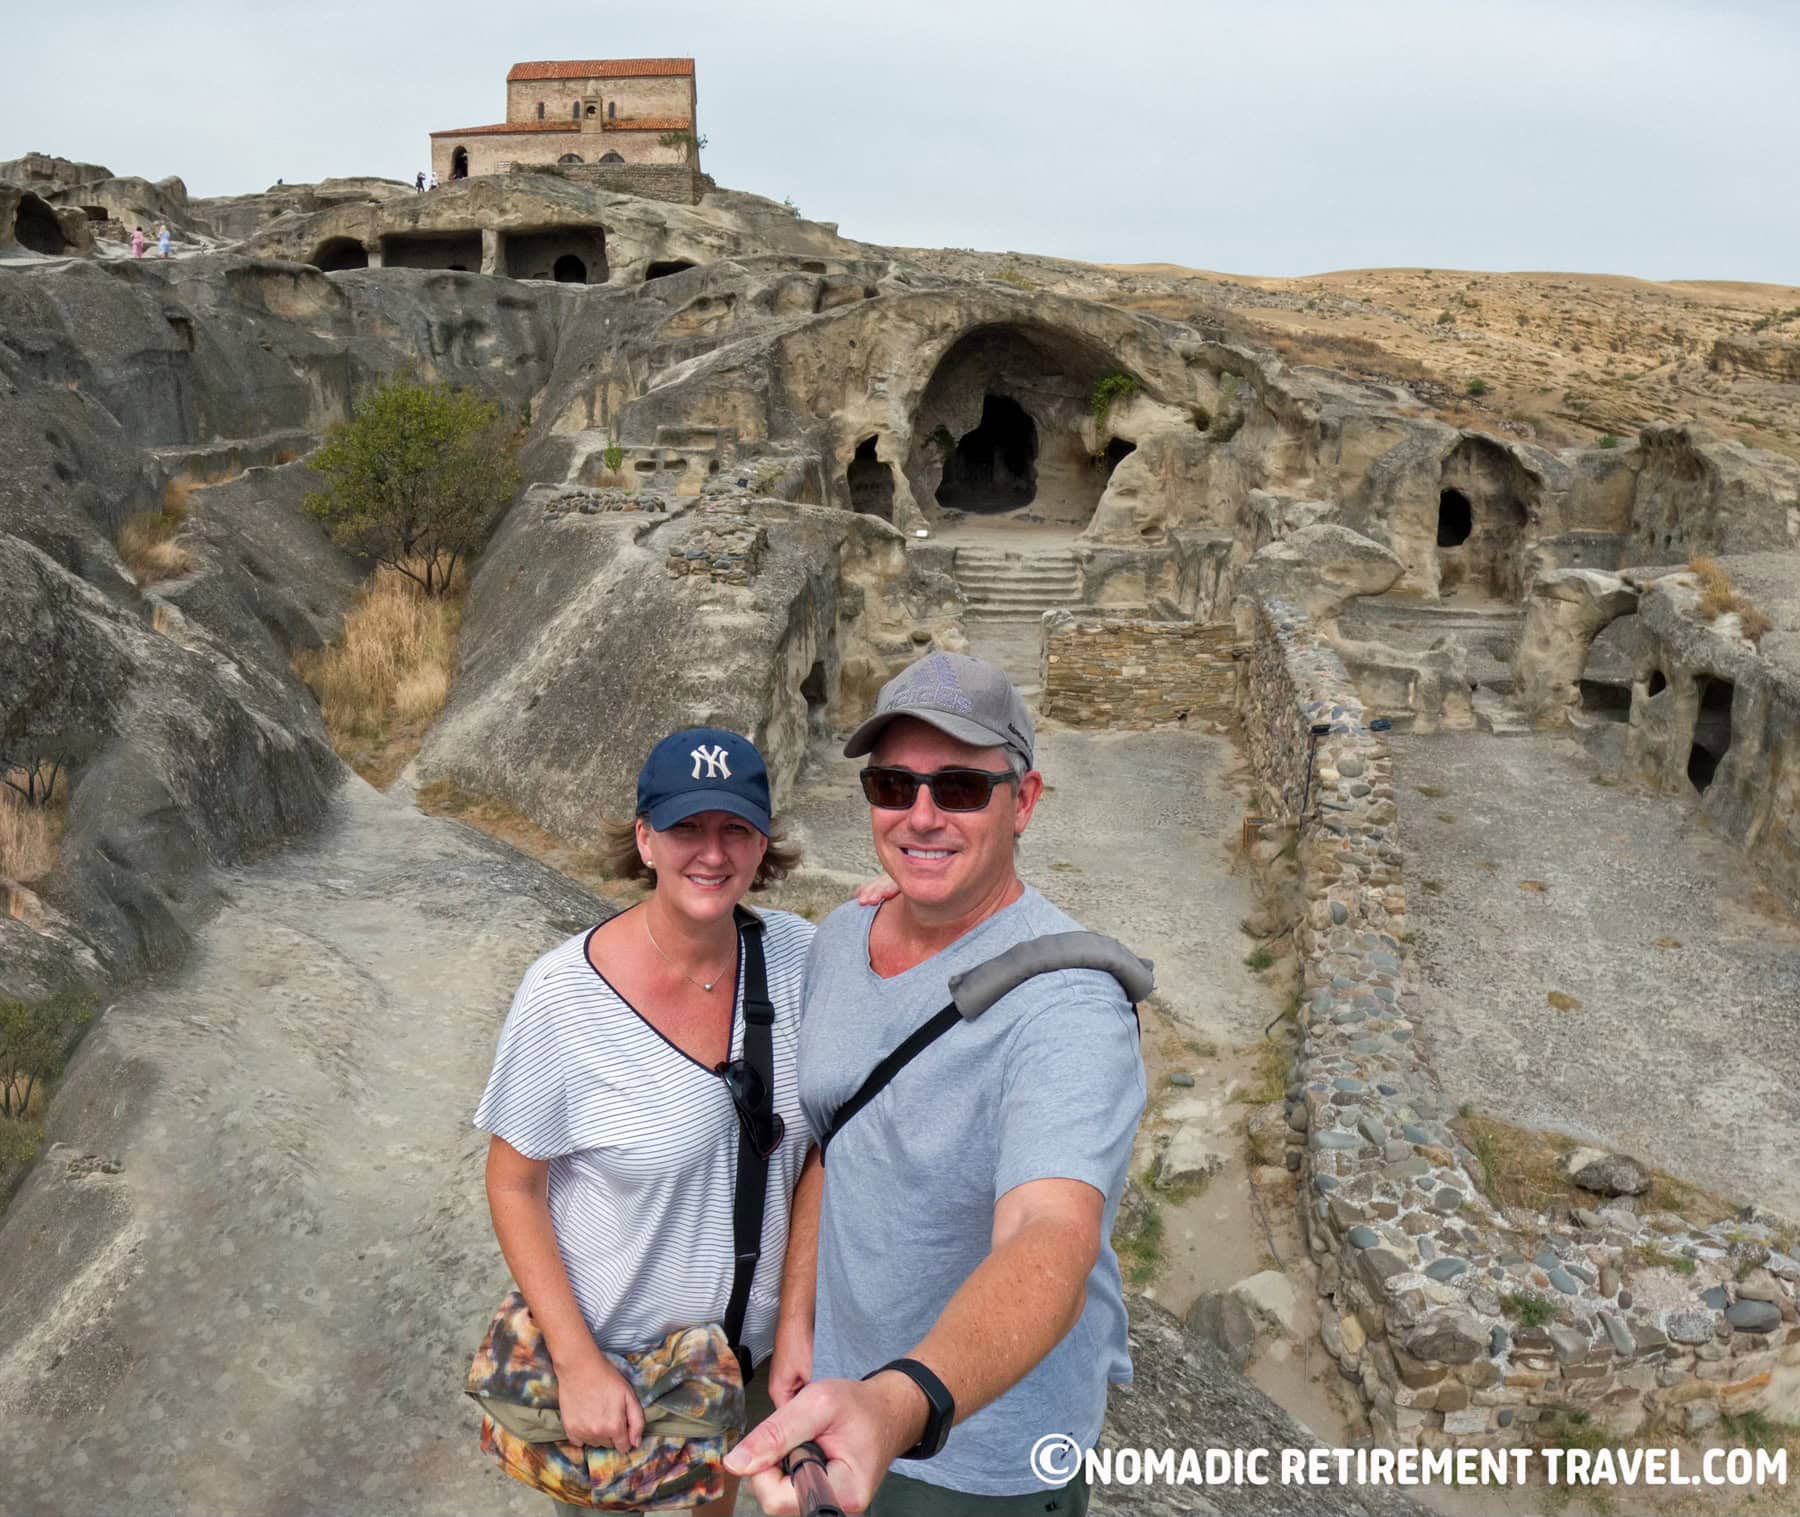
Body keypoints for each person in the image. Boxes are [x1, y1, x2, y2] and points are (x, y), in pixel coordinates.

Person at [730, 652, 1147, 1515]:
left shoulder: (1067, 1006)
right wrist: (800, 1315)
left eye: (959, 788)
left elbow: (1048, 1233)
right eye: (893, 784)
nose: (920, 815)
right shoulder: (844, 939)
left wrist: (896, 1401)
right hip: (838, 1398)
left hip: (985, 1453)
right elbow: (832, 1136)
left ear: (1023, 801)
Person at [474, 727, 817, 1516]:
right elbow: (513, 1181)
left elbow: (830, 1137)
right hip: (621, 1379)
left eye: (736, 827)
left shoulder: (804, 959)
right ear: (644, 838)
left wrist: (891, 906)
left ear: (764, 842)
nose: (712, 851)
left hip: (753, 1366)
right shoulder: (563, 995)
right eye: (686, 827)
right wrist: (576, 1360)